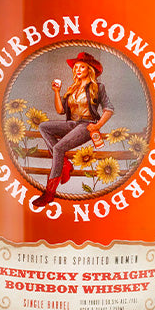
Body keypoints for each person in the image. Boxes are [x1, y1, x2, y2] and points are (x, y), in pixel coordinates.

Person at [35, 51, 114, 206]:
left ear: (89, 70)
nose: (78, 69)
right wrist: (57, 92)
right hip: (72, 124)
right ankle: (64, 163)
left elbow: (109, 109)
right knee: (44, 126)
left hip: (87, 125)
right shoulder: (73, 88)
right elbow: (60, 111)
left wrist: (97, 126)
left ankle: (49, 193)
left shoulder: (98, 87)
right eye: (76, 67)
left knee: (58, 148)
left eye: (82, 67)